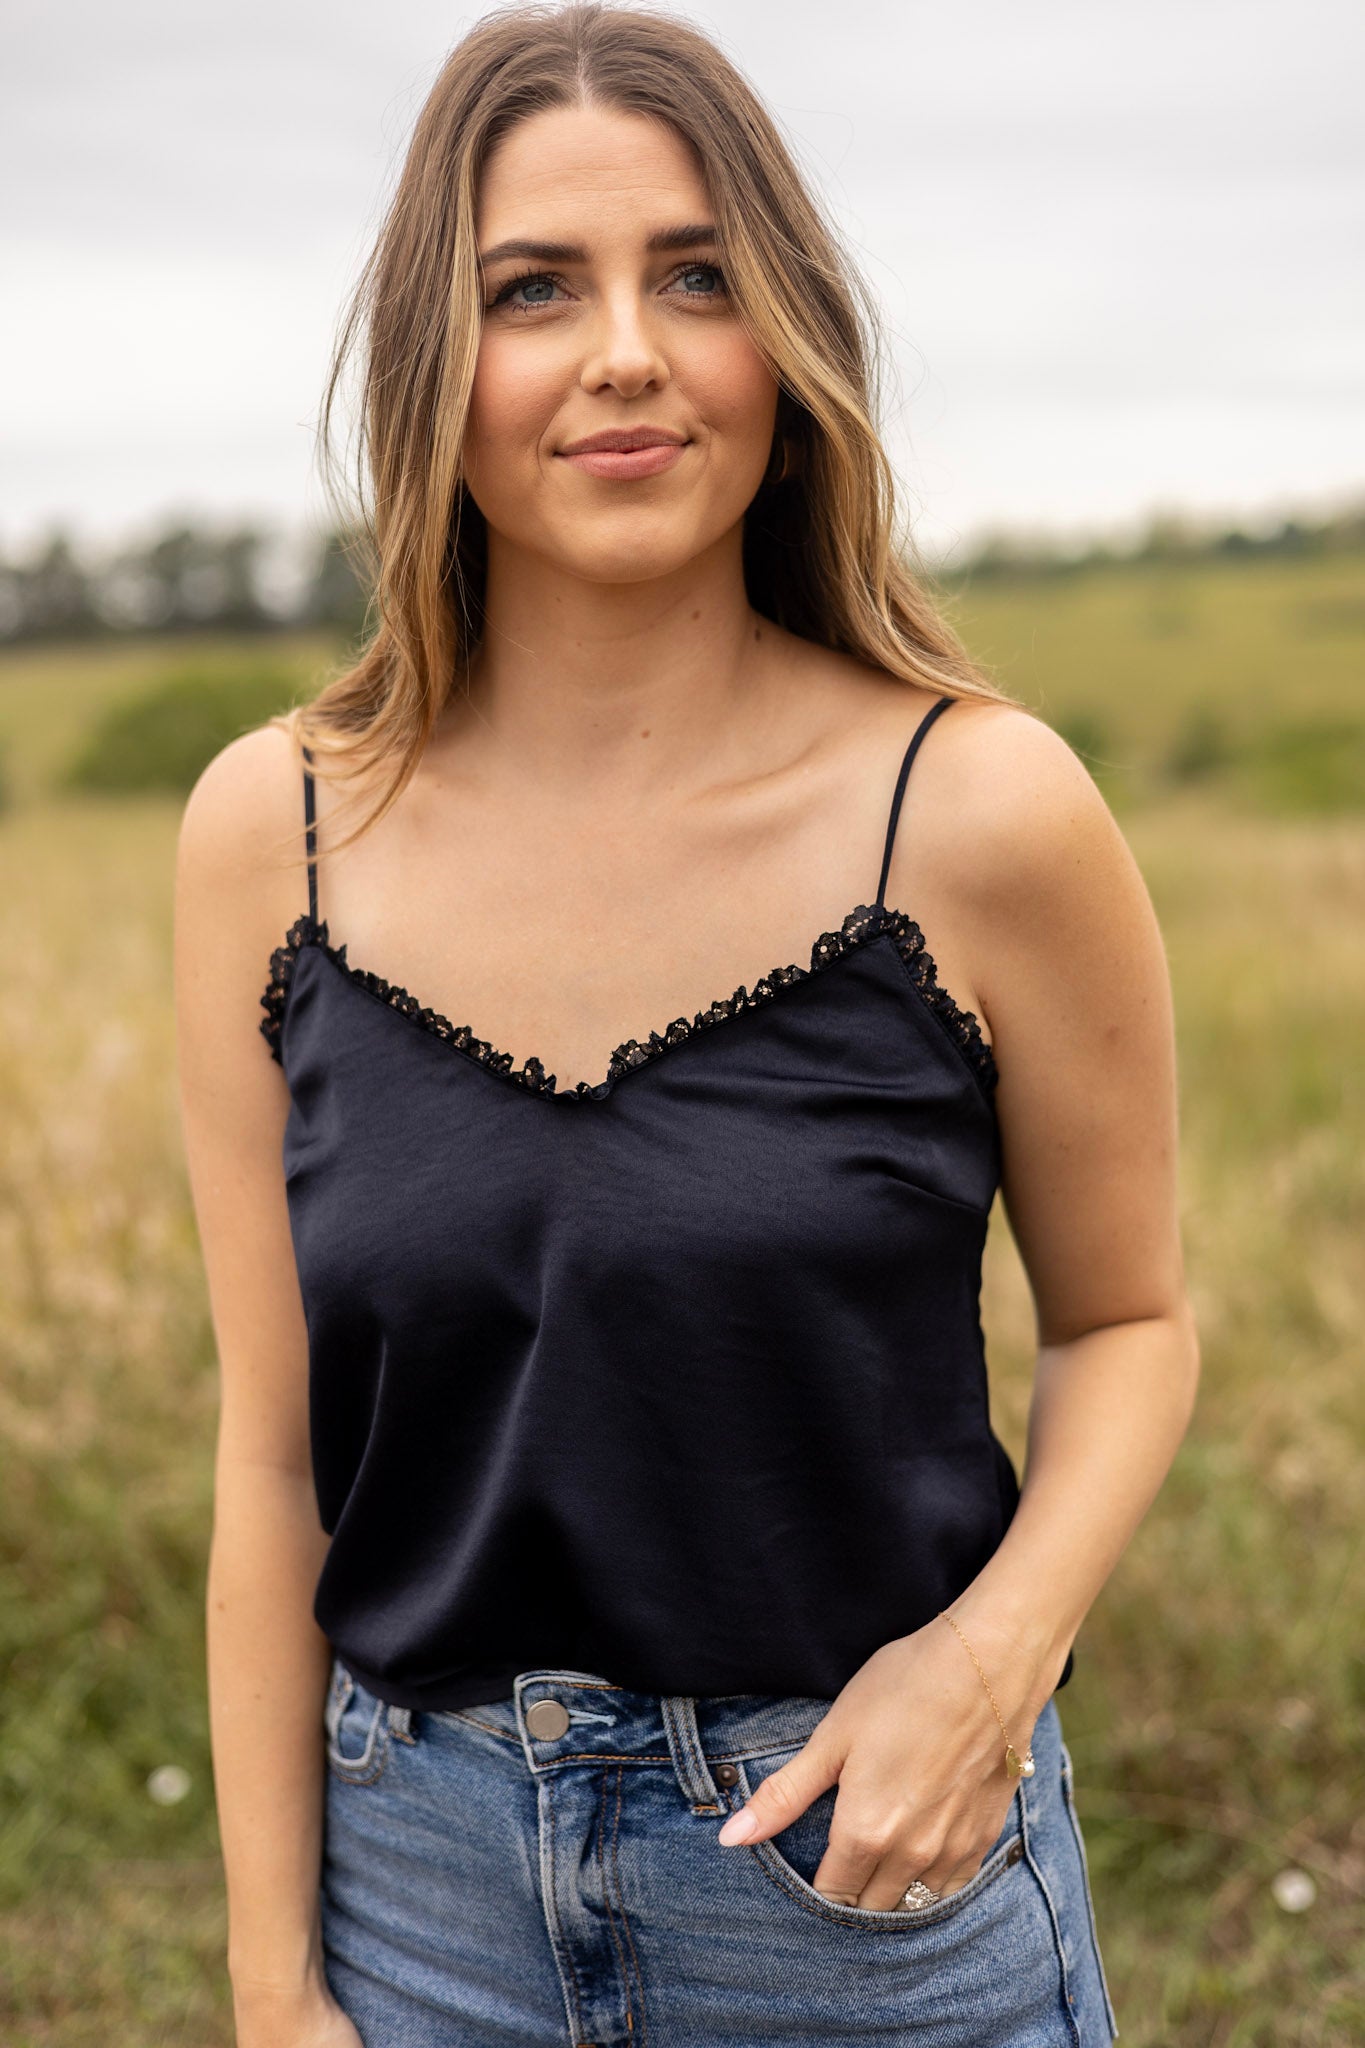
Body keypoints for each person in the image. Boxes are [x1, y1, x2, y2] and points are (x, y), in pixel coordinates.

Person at [174, 5, 1198, 2042]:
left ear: (783, 349)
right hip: (419, 1912)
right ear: (434, 370)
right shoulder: (265, 833)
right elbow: (277, 1463)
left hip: (859, 1890)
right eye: (532, 289)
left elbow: (1125, 1326)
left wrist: (986, 1667)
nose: (623, 350)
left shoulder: (976, 812)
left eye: (697, 276)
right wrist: (272, 1980)